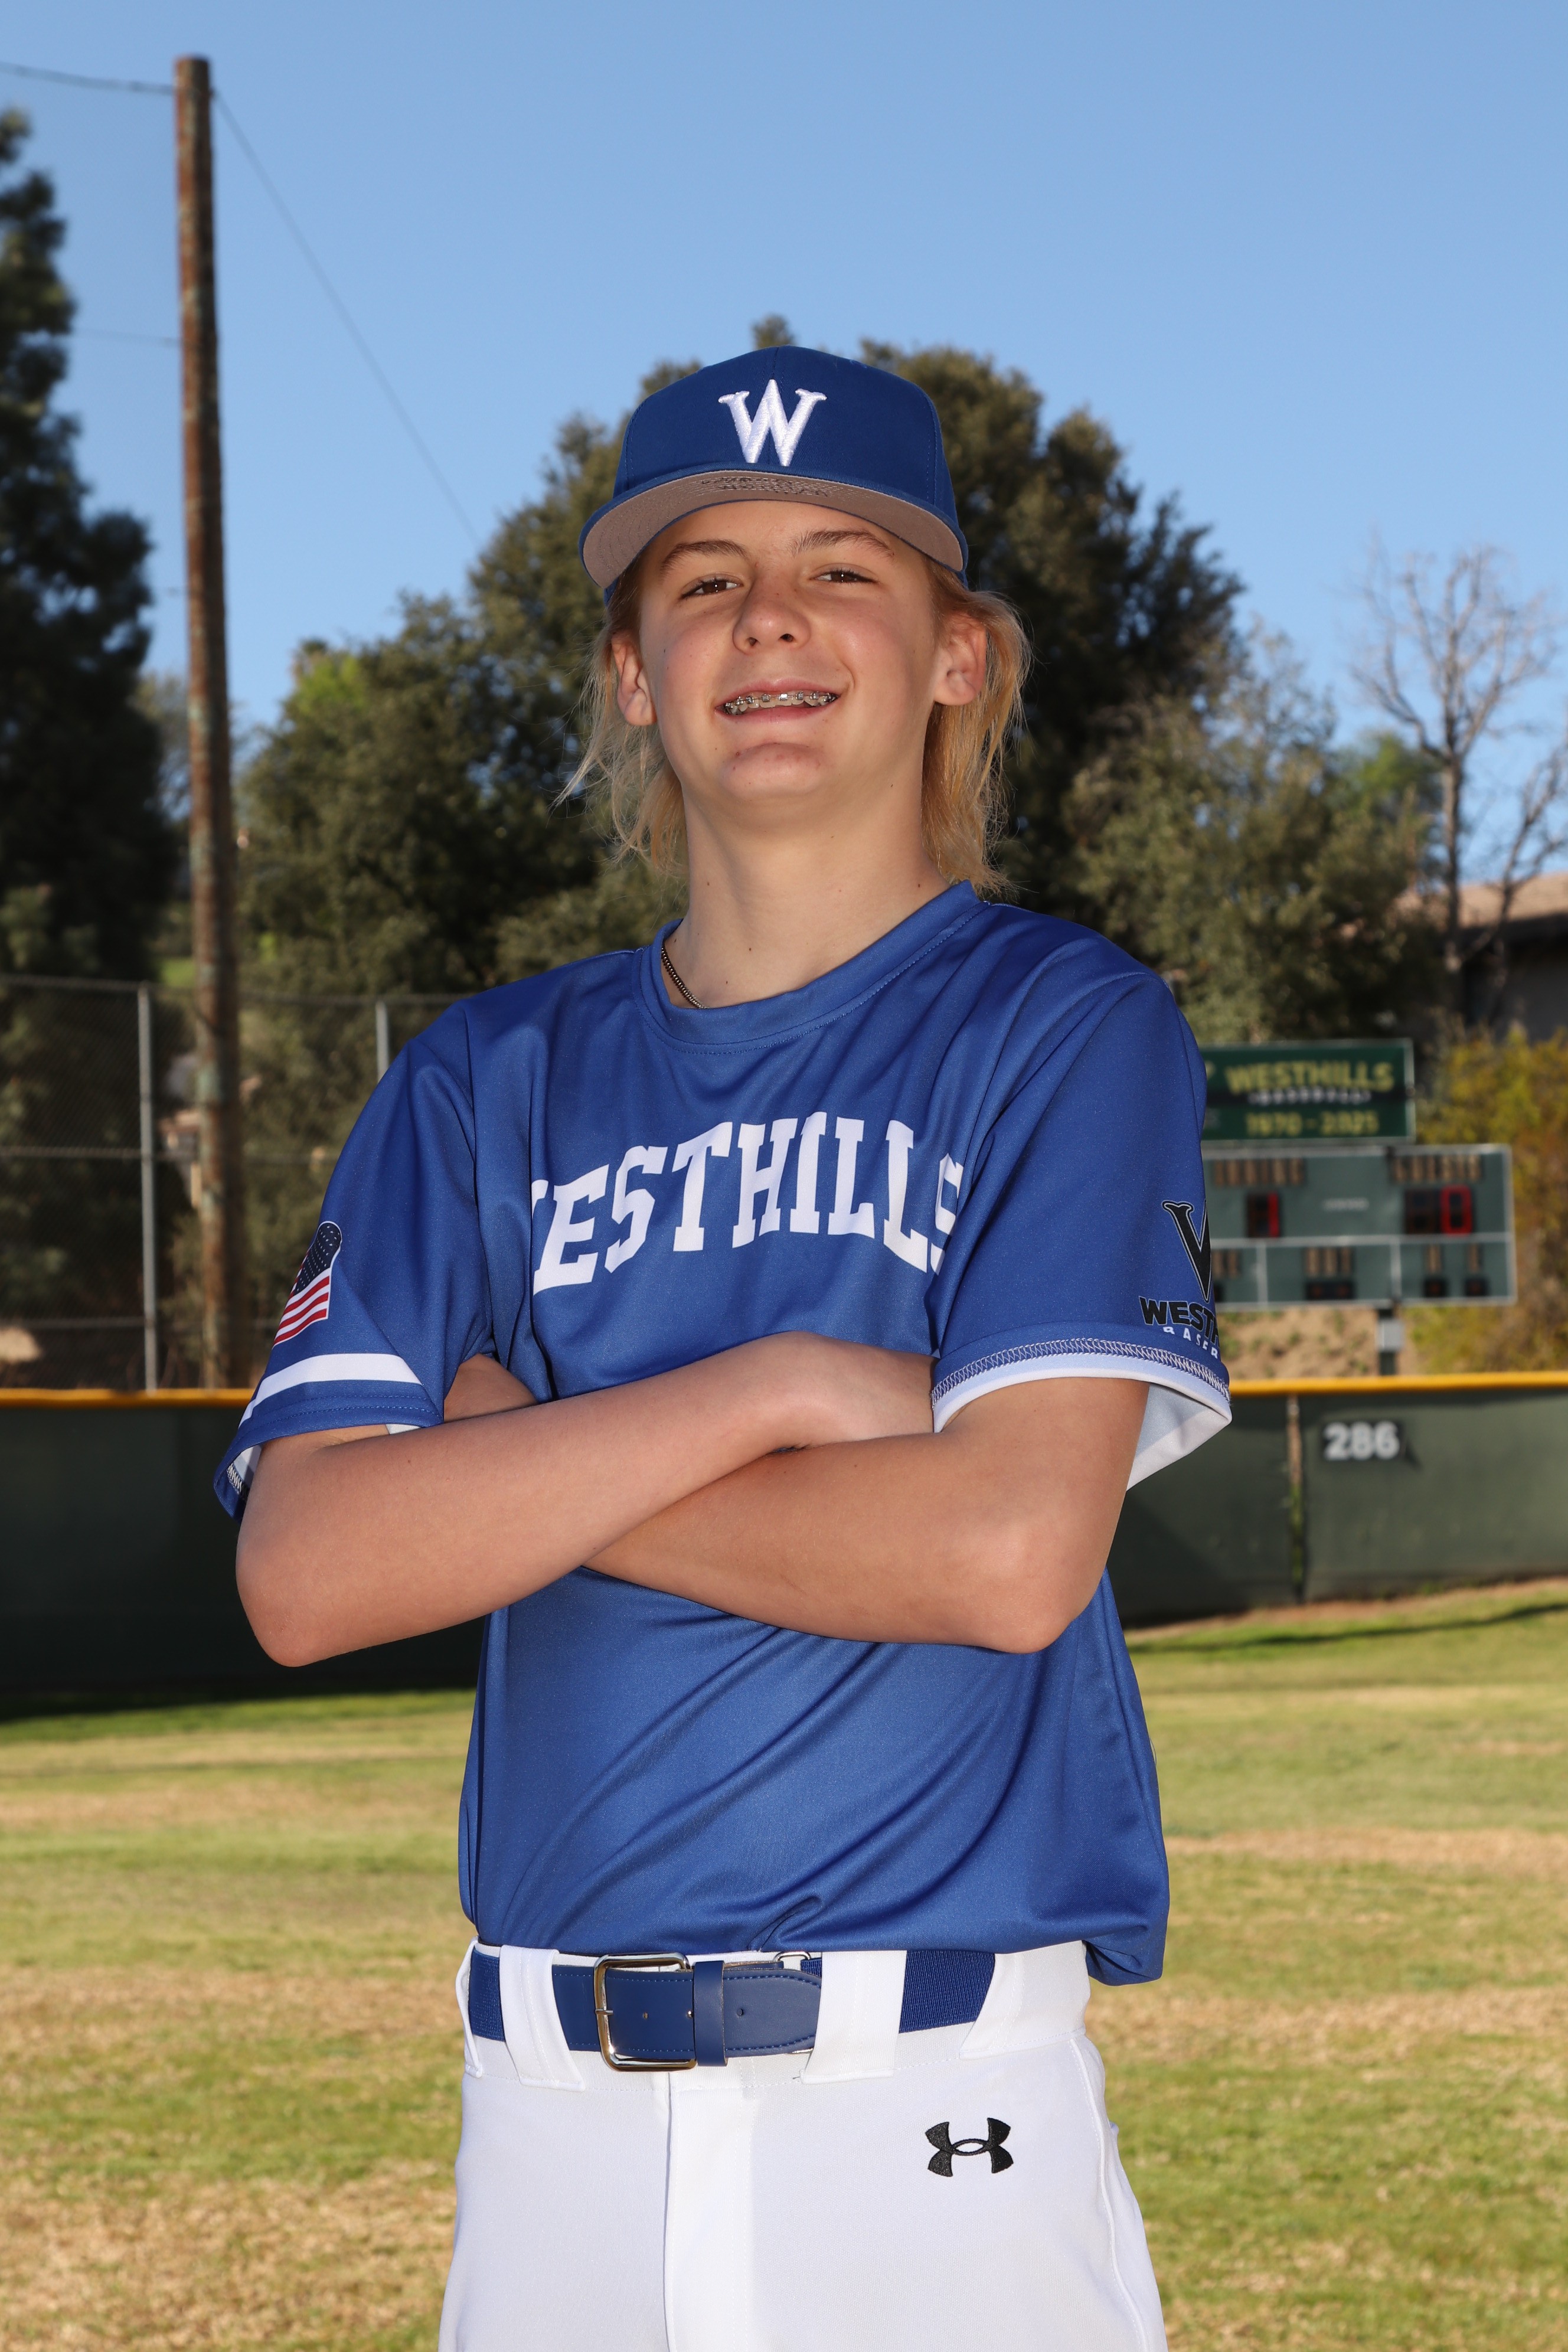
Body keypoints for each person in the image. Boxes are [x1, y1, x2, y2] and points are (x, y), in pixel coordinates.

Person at [219, 346, 1230, 2352]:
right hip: (548, 2128)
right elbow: (309, 1573)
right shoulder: (483, 1081)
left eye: (843, 568)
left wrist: (526, 1466)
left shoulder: (1064, 1025)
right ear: (632, 675)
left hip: (927, 2110)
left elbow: (1004, 1554)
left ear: (957, 655)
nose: (770, 617)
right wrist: (766, 1391)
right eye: (703, 582)